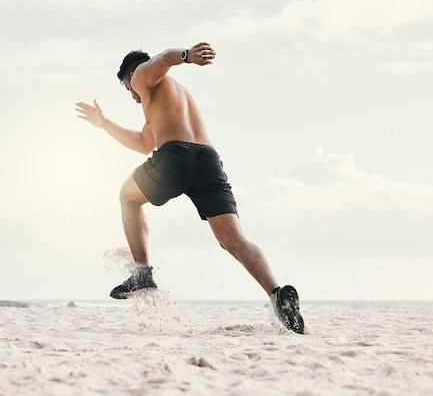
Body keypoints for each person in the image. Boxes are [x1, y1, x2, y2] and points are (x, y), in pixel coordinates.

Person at [75, 42, 304, 334]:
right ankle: (278, 294)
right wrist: (105, 123)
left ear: (130, 76)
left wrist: (185, 56)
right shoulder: (172, 98)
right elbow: (144, 143)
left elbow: (160, 60)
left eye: (127, 88)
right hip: (208, 161)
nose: (131, 95)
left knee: (127, 198)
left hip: (177, 157)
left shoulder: (142, 74)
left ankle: (142, 273)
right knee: (234, 240)